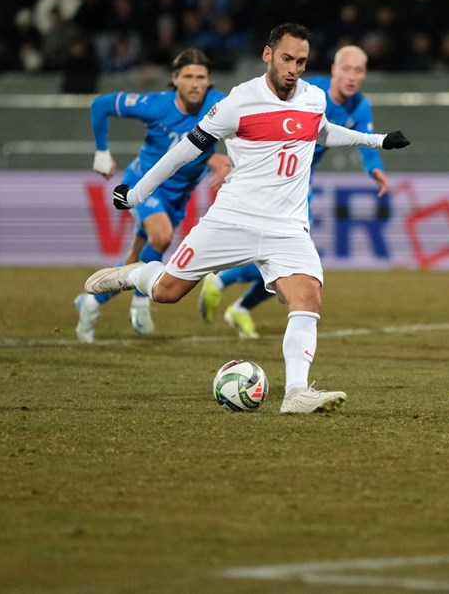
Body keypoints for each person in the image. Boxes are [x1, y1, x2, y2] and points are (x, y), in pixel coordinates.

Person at [82, 23, 410, 414]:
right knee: (168, 292)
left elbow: (322, 132)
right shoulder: (239, 102)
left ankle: (296, 394)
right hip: (232, 219)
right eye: (287, 58)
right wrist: (136, 192)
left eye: (301, 61)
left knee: (308, 297)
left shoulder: (314, 98)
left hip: (287, 226)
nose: (293, 68)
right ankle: (132, 274)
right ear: (267, 55)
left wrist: (377, 141)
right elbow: (187, 150)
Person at [196, 44, 388, 338]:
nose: (352, 76)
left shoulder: (359, 106)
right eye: (346, 69)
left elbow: (363, 141)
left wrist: (374, 169)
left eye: (358, 70)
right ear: (334, 70)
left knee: (292, 261)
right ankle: (222, 285)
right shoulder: (309, 91)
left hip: (299, 186)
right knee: (285, 258)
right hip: (267, 180)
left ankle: (238, 304)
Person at [74, 48, 229, 343]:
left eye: (201, 78)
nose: (195, 84)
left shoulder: (220, 103)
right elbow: (100, 105)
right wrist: (102, 152)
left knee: (134, 261)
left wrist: (225, 161)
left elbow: (237, 133)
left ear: (209, 82)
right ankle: (141, 302)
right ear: (174, 79)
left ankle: (91, 303)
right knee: (161, 236)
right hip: (144, 186)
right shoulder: (155, 105)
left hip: (178, 196)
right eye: (188, 77)